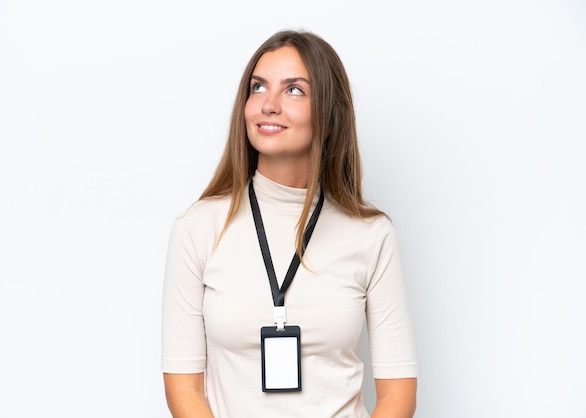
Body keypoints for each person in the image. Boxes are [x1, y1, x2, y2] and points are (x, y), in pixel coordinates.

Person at [161, 29, 417, 418]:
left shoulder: (371, 234)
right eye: (258, 87)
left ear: (330, 117)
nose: (269, 104)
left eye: (294, 90)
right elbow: (183, 387)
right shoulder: (197, 228)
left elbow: (399, 394)